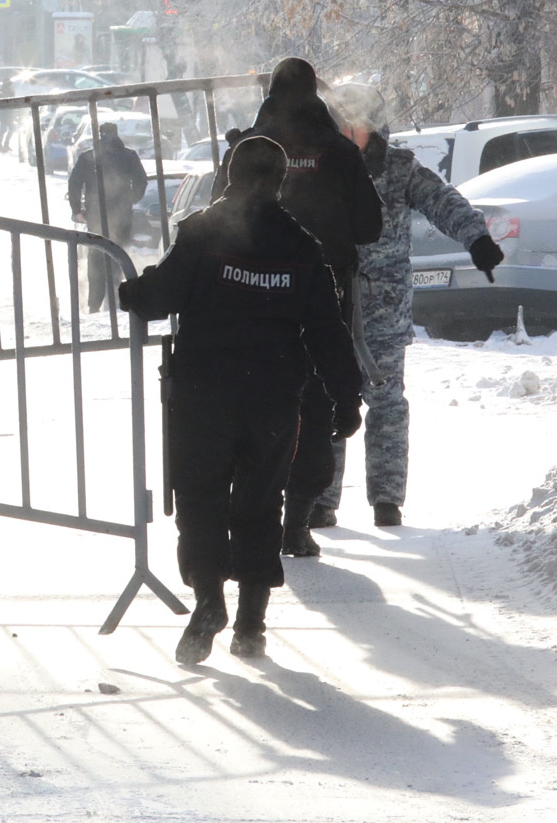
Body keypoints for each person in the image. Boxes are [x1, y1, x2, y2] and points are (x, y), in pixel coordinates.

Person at [118, 136, 363, 663]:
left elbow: (158, 298)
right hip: (273, 399)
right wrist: (347, 397)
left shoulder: (205, 232)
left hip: (204, 392)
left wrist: (131, 293)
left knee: (200, 498)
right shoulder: (301, 247)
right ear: (280, 182)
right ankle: (251, 625)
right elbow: (327, 330)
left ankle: (209, 601)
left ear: (229, 175)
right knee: (259, 502)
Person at [314, 84, 502, 528]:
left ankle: (386, 497)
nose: (347, 131)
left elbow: (443, 202)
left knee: (386, 402)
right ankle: (320, 499)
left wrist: (476, 237)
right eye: (340, 123)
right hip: (329, 306)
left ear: (373, 127)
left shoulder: (398, 169)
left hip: (383, 308)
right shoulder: (319, 167)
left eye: (355, 124)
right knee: (325, 401)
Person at [242, 57, 382, 558]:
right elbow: (369, 227)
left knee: (255, 407)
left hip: (251, 298)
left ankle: (257, 516)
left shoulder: (249, 147)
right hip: (323, 296)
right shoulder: (339, 152)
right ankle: (297, 522)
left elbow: (219, 209)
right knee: (316, 403)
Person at [67, 121, 149, 311]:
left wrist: (77, 209)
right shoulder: (129, 156)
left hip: (95, 216)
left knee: (96, 258)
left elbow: (74, 184)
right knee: (120, 256)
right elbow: (141, 182)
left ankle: (95, 304)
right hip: (122, 216)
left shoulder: (88, 157)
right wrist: (129, 200)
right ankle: (117, 301)